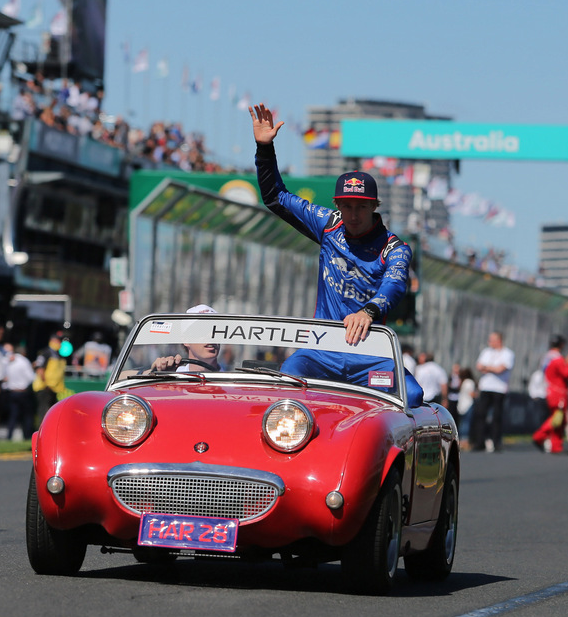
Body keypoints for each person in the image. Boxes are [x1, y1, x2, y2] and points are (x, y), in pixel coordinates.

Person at [251, 103, 423, 406]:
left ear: (374, 207)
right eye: (346, 206)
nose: (353, 214)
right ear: (337, 205)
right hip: (321, 351)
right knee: (284, 384)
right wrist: (265, 150)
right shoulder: (328, 225)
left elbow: (394, 286)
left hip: (370, 355)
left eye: (361, 207)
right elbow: (275, 197)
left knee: (414, 396)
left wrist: (368, 312)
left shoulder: (395, 248)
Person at [469, 331, 515, 452]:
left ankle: (496, 442)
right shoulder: (486, 352)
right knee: (480, 414)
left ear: (499, 340)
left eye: (492, 339)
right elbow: (479, 366)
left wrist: (487, 368)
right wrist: (492, 368)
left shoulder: (508, 353)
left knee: (497, 416)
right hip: (485, 387)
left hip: (499, 388)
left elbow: (501, 369)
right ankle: (479, 442)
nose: (489, 342)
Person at [532, 335, 568, 455]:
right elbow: (566, 373)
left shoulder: (546, 357)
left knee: (560, 420)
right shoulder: (557, 358)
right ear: (561, 345)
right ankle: (539, 436)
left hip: (551, 390)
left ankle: (556, 446)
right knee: (557, 417)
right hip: (558, 393)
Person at [149, 305, 227, 373]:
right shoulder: (173, 377)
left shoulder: (233, 381)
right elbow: (137, 374)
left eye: (216, 330)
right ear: (186, 339)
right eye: (203, 329)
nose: (211, 335)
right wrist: (157, 371)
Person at [3, 342, 37, 440]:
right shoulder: (24, 361)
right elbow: (31, 377)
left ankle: (9, 435)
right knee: (26, 416)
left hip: (12, 391)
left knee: (13, 415)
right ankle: (26, 436)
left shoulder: (9, 361)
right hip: (22, 391)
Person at [33, 333, 68, 425]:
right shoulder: (46, 352)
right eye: (59, 341)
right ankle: (41, 432)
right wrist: (46, 384)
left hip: (54, 388)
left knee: (52, 412)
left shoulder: (58, 355)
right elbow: (40, 369)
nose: (60, 343)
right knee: (44, 410)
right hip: (45, 387)